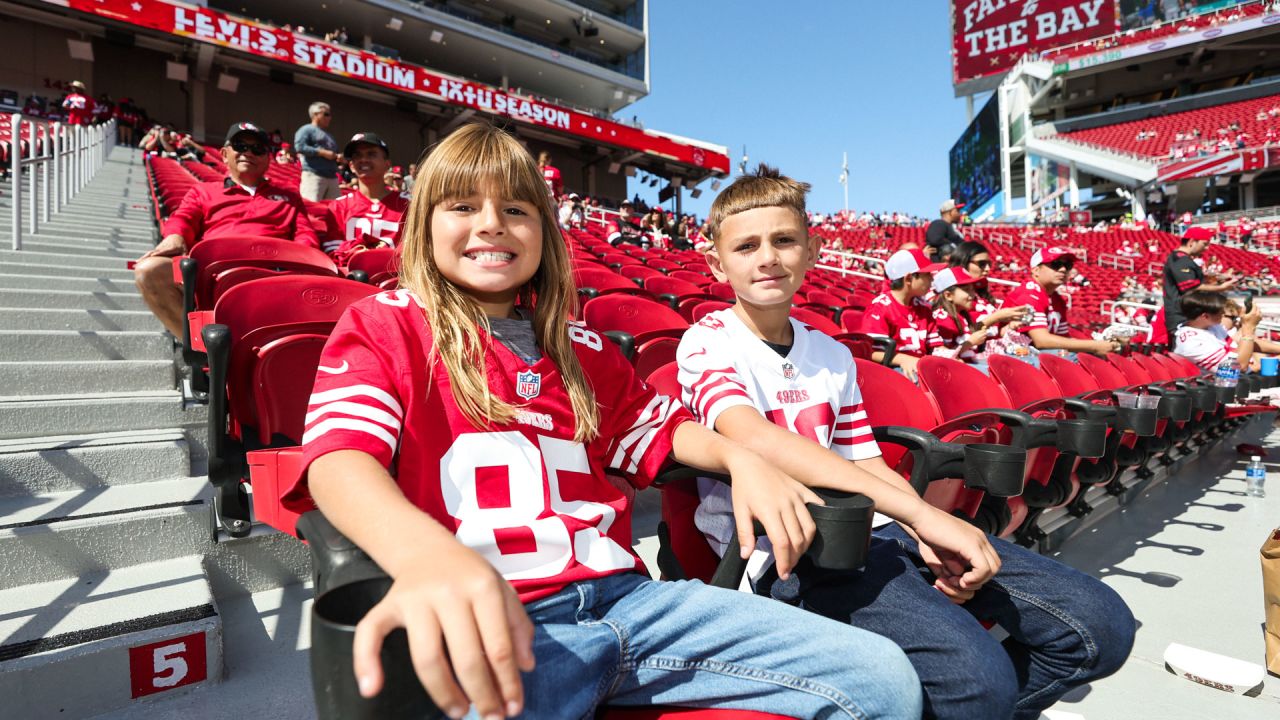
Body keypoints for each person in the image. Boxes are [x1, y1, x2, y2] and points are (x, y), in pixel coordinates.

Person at [284, 124, 923, 720]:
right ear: (423, 225)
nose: (492, 225)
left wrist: (740, 458)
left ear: (543, 229)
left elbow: (662, 429)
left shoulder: (581, 347)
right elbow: (340, 460)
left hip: (632, 603)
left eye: (515, 209)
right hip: (496, 613)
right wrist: (423, 556)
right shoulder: (385, 321)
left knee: (881, 677)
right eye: (461, 207)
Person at [678, 165, 1134, 720]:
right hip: (792, 553)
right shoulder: (705, 342)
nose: (767, 257)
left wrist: (921, 525)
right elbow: (756, 438)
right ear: (715, 261)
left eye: (784, 240)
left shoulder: (832, 353)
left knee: (1099, 626)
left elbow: (864, 458)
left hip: (876, 529)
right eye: (746, 245)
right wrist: (924, 517)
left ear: (813, 249)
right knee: (979, 682)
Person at [133, 122, 318, 337]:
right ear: (224, 154)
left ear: (268, 158)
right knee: (149, 271)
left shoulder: (289, 196)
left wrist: (298, 260)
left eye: (257, 149)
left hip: (274, 272)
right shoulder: (203, 191)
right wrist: (175, 237)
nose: (248, 153)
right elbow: (183, 218)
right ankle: (205, 352)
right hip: (213, 274)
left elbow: (305, 233)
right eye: (240, 146)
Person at [1000, 248, 1117, 359]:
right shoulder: (1029, 295)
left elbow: (1064, 339)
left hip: (1034, 354)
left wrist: (1100, 344)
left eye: (1068, 265)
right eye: (1055, 264)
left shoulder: (1057, 299)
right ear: (1036, 270)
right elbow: (1041, 341)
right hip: (1011, 355)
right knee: (1075, 358)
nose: (1063, 269)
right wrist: (1094, 346)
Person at [322, 132, 409, 264]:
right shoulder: (338, 206)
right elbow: (332, 252)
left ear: (387, 164)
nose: (364, 160)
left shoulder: (408, 204)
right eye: (357, 155)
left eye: (371, 154)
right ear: (351, 166)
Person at [862, 247, 943, 380]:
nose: (932, 279)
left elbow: (936, 347)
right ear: (909, 279)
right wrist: (902, 359)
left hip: (922, 367)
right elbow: (871, 352)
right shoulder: (880, 307)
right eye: (927, 274)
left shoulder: (924, 308)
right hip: (894, 369)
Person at [927, 267, 1027, 363]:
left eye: (972, 289)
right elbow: (941, 355)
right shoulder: (943, 318)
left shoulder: (962, 313)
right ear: (948, 295)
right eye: (966, 290)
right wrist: (970, 343)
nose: (973, 294)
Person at [1162, 227, 1239, 341]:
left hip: (1187, 314)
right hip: (1182, 315)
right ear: (1192, 242)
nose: (1206, 248)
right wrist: (1221, 287)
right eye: (1204, 244)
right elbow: (1190, 287)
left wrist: (1219, 277)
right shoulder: (1180, 259)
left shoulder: (1183, 259)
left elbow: (1195, 280)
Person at [1173, 290, 1264, 372]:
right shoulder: (1192, 343)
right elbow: (1238, 368)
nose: (1223, 313)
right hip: (1217, 385)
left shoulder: (1211, 326)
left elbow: (1238, 344)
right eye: (1219, 311)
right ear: (1205, 316)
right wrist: (1249, 327)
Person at [294, 101, 341, 201]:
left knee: (334, 211)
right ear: (315, 114)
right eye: (326, 114)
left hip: (332, 177)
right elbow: (300, 147)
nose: (329, 118)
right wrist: (322, 152)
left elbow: (334, 153)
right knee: (311, 209)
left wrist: (338, 157)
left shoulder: (329, 135)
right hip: (314, 175)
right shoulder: (306, 129)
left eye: (330, 115)